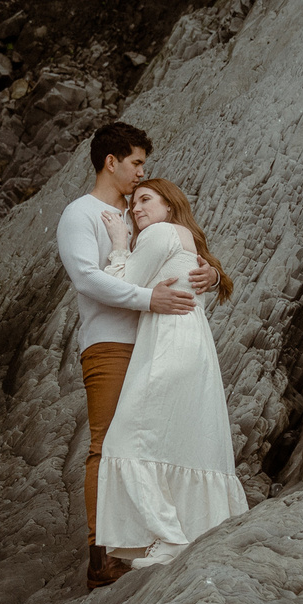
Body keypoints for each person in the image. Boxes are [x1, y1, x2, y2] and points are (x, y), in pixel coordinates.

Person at [58, 123, 217, 591]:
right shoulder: (80, 214)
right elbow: (87, 278)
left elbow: (176, 252)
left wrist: (206, 273)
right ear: (112, 162)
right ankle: (100, 556)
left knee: (152, 439)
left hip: (157, 343)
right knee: (106, 444)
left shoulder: (138, 214)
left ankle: (147, 538)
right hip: (111, 342)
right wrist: (151, 300)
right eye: (136, 163)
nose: (141, 173)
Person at [94, 178, 244, 567]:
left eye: (146, 200)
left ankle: (170, 536)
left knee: (126, 442)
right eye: (132, 204)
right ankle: (186, 533)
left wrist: (119, 244)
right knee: (177, 442)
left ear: (170, 206)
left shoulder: (160, 232)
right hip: (191, 342)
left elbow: (122, 286)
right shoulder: (183, 237)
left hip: (167, 344)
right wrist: (211, 274)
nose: (137, 209)